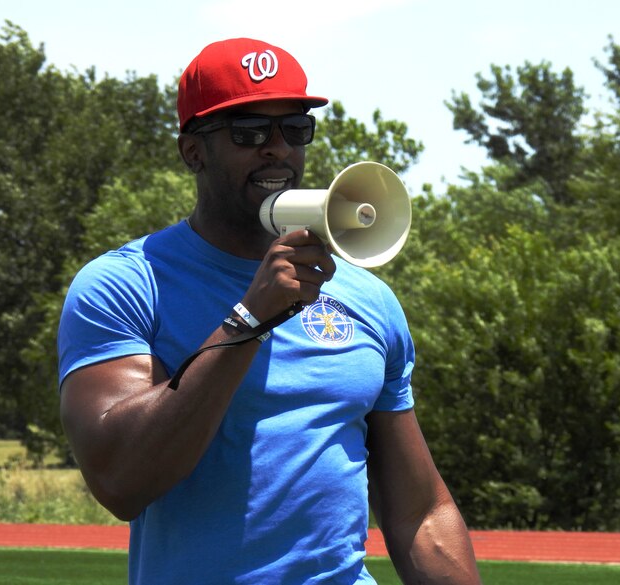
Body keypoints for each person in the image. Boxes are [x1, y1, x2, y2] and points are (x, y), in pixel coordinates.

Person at [57, 37, 481, 584]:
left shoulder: (367, 297)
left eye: (294, 129)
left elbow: (419, 513)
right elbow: (121, 482)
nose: (277, 149)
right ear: (193, 151)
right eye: (248, 131)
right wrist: (250, 319)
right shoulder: (124, 285)